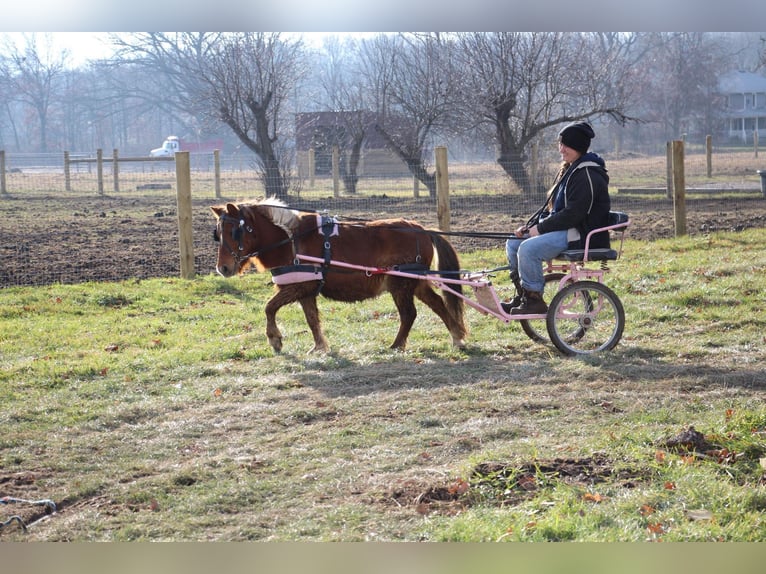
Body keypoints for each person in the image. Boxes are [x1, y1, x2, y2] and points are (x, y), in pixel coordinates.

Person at [502, 121, 611, 315]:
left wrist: (540, 229)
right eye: (560, 144)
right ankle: (524, 296)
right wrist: (529, 227)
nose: (561, 149)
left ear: (578, 146)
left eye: (566, 144)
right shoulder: (569, 170)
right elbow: (552, 210)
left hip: (580, 234)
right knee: (513, 243)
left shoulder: (587, 174)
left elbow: (573, 215)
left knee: (528, 249)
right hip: (566, 230)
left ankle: (534, 300)